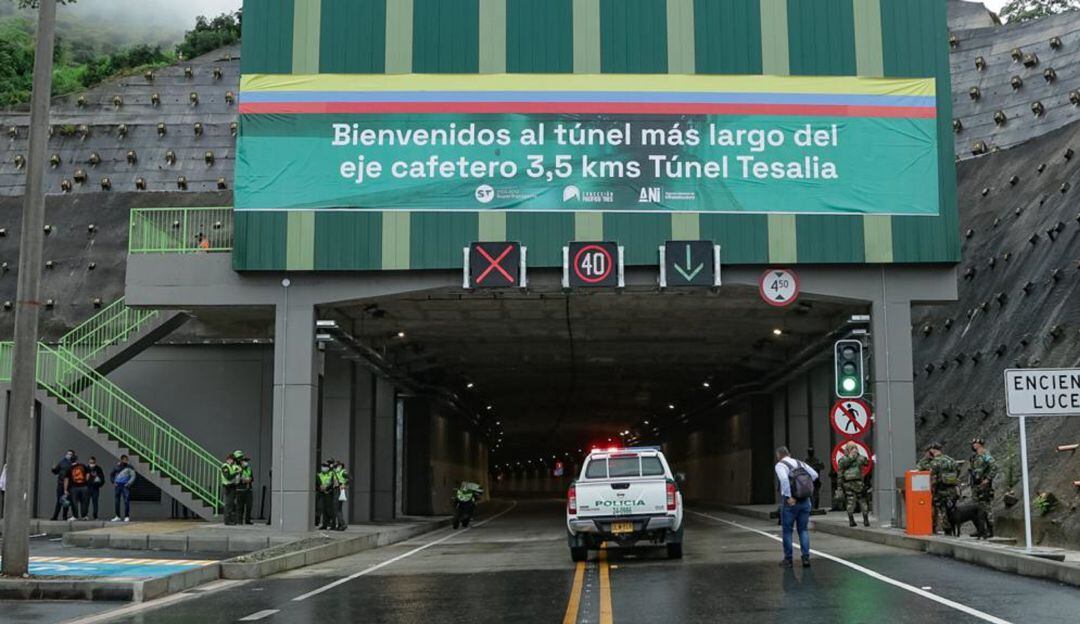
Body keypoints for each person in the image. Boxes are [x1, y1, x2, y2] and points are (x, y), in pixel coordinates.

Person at [774, 446, 817, 568]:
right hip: (805, 500)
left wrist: (788, 497)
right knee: (803, 530)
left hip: (791, 502)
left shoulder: (780, 465)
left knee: (787, 531)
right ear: (789, 453)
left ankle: (788, 560)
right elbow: (814, 475)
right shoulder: (800, 463)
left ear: (778, 456)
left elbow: (783, 480)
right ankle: (806, 558)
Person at [926, 442, 960, 535]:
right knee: (951, 509)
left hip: (941, 491)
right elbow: (957, 471)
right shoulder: (951, 460)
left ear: (933, 450)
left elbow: (932, 477)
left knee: (943, 511)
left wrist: (932, 487)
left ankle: (947, 531)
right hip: (952, 489)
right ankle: (955, 529)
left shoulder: (935, 462)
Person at [969, 437, 999, 537]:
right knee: (976, 508)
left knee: (986, 507)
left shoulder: (985, 455)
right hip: (975, 485)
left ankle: (990, 530)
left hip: (983, 486)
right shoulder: (974, 457)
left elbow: (994, 466)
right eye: (973, 443)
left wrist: (988, 479)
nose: (973, 445)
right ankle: (980, 529)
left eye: (975, 443)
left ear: (980, 444)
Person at [837, 442, 870, 527]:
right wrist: (857, 454)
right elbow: (867, 463)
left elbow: (840, 474)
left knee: (850, 501)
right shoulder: (860, 458)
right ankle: (866, 520)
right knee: (862, 501)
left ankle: (851, 521)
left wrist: (839, 487)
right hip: (859, 483)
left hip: (847, 484)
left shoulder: (843, 460)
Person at [50, 449, 76, 521]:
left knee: (66, 501)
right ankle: (55, 516)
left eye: (70, 454)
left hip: (69, 485)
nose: (68, 455)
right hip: (60, 483)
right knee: (59, 500)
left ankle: (64, 516)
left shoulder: (73, 464)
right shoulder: (62, 462)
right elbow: (56, 471)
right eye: (68, 454)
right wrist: (53, 469)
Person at [65, 456, 91, 521]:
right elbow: (88, 473)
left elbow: (66, 480)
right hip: (84, 486)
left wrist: (65, 489)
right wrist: (86, 481)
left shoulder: (69, 468)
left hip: (74, 487)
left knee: (74, 502)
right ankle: (84, 516)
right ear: (77, 460)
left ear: (70, 461)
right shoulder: (83, 465)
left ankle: (75, 516)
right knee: (84, 502)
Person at [110, 455, 136, 522]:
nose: (125, 461)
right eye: (124, 460)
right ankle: (117, 516)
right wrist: (113, 482)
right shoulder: (117, 466)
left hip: (125, 486)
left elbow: (133, 476)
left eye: (126, 460)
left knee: (126, 501)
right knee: (117, 501)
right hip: (117, 485)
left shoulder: (130, 467)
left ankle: (127, 516)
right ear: (121, 460)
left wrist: (128, 483)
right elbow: (112, 474)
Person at [220, 453, 242, 525]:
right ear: (227, 459)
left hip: (233, 486)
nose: (230, 461)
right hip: (227, 487)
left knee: (232, 504)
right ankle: (227, 521)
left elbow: (239, 471)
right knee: (228, 504)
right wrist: (236, 472)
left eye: (232, 459)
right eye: (229, 459)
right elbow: (228, 477)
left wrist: (238, 471)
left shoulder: (234, 466)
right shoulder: (225, 466)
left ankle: (232, 519)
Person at [315, 459, 337, 530]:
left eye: (325, 466)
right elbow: (316, 483)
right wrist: (320, 488)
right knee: (323, 509)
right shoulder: (319, 474)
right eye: (323, 466)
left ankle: (333, 525)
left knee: (330, 510)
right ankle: (324, 524)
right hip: (321, 493)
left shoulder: (332, 474)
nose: (323, 467)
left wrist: (327, 488)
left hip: (330, 493)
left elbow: (333, 482)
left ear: (328, 467)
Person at [236, 452, 254, 525]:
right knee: (240, 506)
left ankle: (248, 520)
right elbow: (236, 479)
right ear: (241, 462)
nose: (246, 462)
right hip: (240, 489)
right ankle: (239, 520)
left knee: (249, 505)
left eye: (246, 461)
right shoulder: (238, 469)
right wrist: (243, 480)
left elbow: (252, 478)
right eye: (244, 461)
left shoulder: (249, 469)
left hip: (248, 489)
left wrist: (249, 479)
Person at [332, 459, 349, 531]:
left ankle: (342, 524)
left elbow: (350, 478)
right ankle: (340, 525)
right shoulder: (336, 472)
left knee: (337, 509)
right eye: (336, 466)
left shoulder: (343, 472)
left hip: (339, 490)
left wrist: (344, 485)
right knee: (338, 508)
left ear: (341, 466)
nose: (336, 467)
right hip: (336, 490)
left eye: (338, 466)